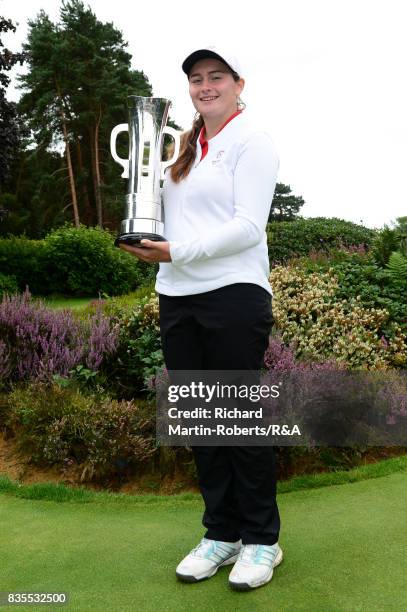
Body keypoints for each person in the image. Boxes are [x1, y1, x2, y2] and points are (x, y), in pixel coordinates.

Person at [119, 45, 282, 591]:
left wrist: (174, 253)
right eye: (196, 79)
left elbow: (247, 229)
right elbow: (171, 216)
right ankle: (222, 533)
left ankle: (262, 541)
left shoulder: (251, 143)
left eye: (216, 76)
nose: (205, 85)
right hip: (178, 295)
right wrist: (143, 234)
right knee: (201, 424)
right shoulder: (183, 148)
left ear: (239, 83)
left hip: (234, 295)